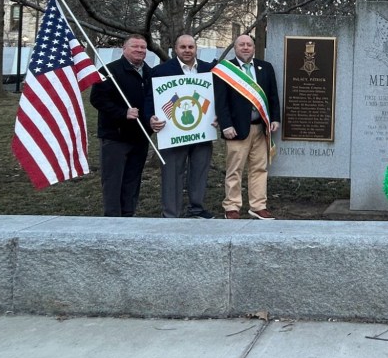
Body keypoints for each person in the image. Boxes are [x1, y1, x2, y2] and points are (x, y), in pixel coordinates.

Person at [144, 34, 215, 219]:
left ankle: (196, 209)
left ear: (196, 49)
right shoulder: (161, 71)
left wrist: (218, 117)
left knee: (199, 171)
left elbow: (218, 98)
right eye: (182, 47)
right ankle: (171, 214)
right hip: (172, 131)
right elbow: (149, 99)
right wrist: (150, 117)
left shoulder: (209, 70)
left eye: (190, 47)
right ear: (175, 49)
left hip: (202, 130)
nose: (187, 50)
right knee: (172, 174)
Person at [213, 34, 281, 220]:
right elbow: (221, 102)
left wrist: (275, 118)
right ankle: (232, 207)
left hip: (261, 128)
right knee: (235, 169)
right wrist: (225, 125)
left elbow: (273, 95)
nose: (245, 48)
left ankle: (258, 206)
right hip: (236, 129)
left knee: (259, 168)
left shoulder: (265, 68)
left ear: (254, 47)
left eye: (249, 45)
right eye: (241, 44)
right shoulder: (225, 70)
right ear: (235, 48)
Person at [90, 34, 153, 217]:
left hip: (140, 136)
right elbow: (97, 99)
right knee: (113, 180)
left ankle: (128, 215)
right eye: (135, 46)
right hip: (115, 136)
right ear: (124, 49)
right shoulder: (109, 71)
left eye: (143, 47)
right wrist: (122, 113)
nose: (139, 50)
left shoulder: (150, 73)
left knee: (132, 180)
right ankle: (112, 218)